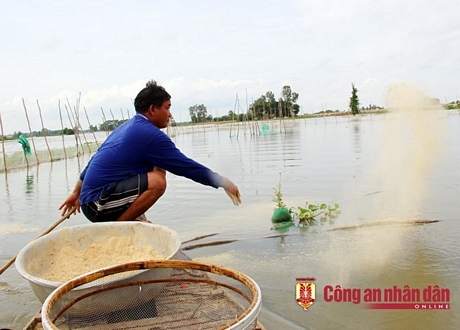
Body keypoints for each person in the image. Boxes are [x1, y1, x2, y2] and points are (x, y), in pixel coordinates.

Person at [59, 80, 241, 222]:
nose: (170, 114)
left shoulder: (127, 126)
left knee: (158, 166)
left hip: (90, 200)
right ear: (153, 109)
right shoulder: (149, 135)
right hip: (96, 205)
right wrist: (223, 182)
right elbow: (187, 167)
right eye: (167, 108)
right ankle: (120, 227)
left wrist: (76, 192)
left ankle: (131, 218)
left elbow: (93, 160)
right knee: (157, 181)